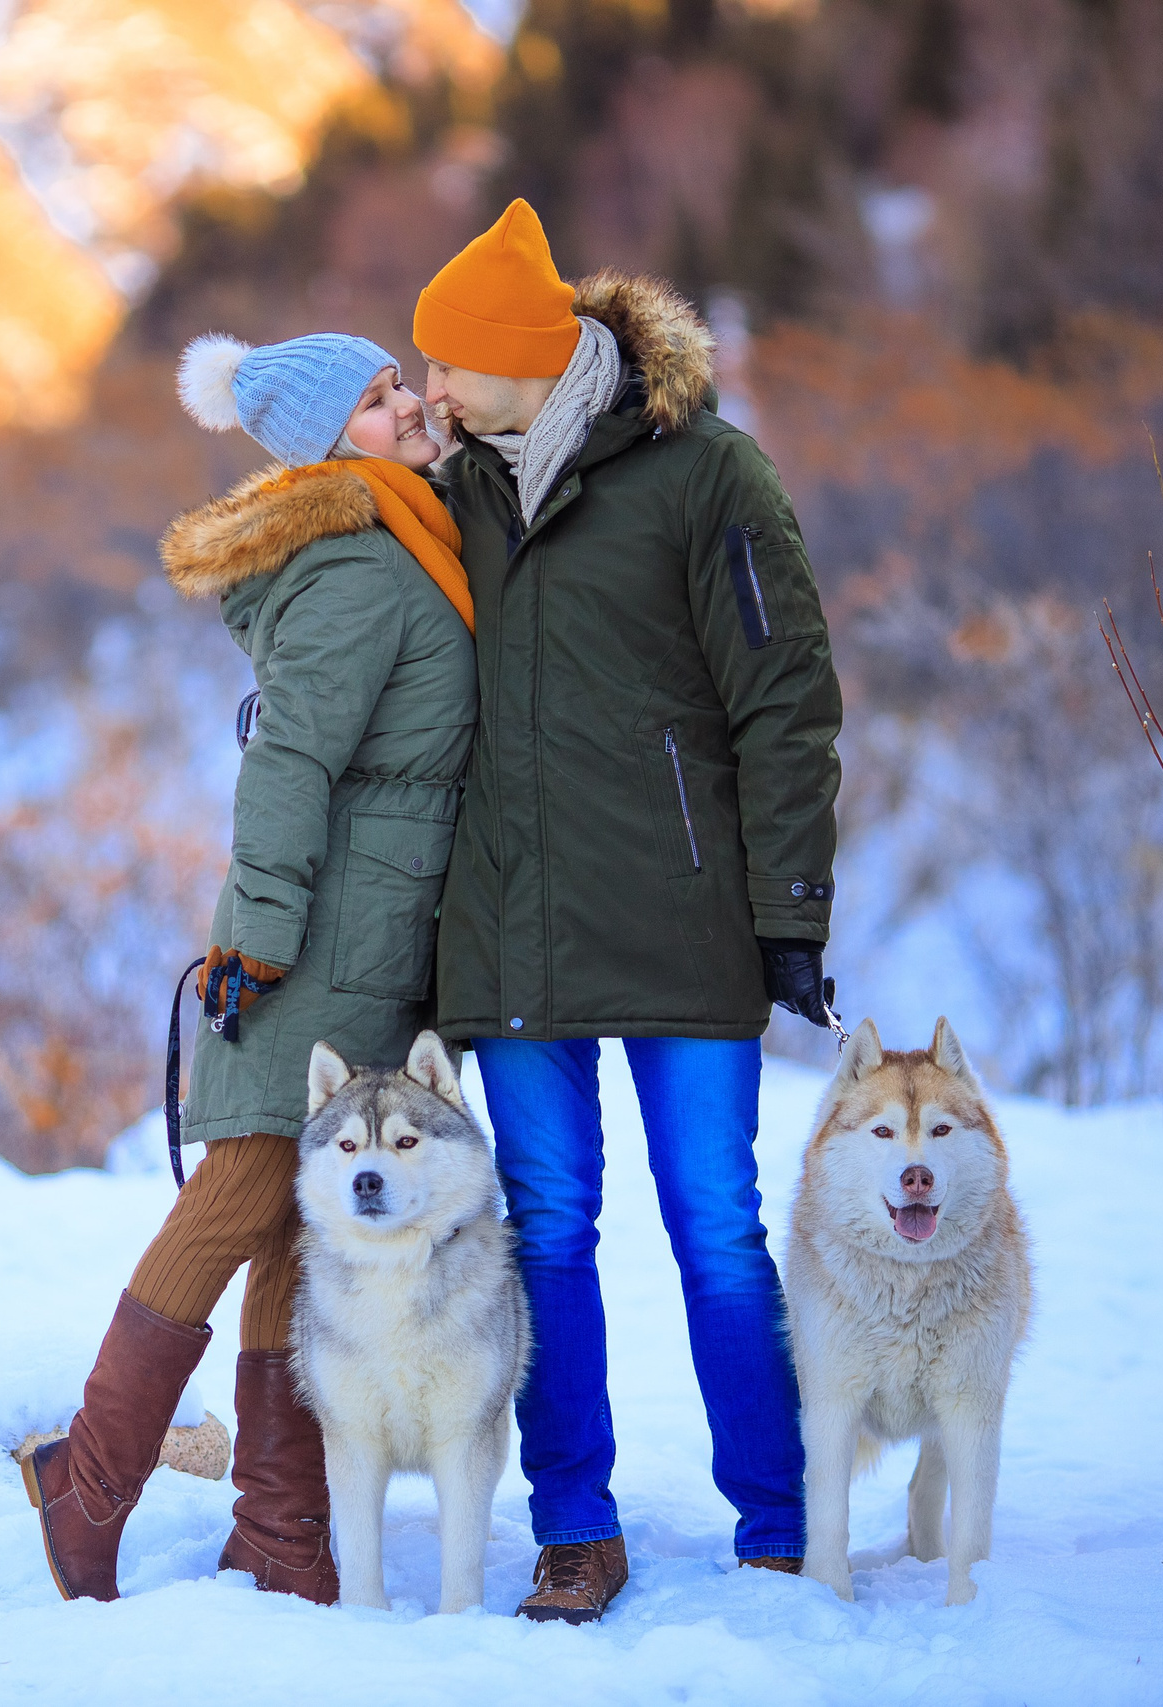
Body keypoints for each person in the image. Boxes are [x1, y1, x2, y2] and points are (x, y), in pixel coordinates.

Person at [413, 200, 844, 1622]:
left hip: (680, 909)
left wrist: (788, 906)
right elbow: (353, 599)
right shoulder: (451, 486)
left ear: (528, 356)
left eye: (448, 365)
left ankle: (780, 1518)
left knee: (714, 1223)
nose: (428, 392)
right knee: (544, 1225)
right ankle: (573, 1525)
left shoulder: (705, 473)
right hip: (514, 916)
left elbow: (787, 696)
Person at [23, 330, 475, 1606]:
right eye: (379, 399)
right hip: (318, 939)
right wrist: (262, 931)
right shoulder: (356, 567)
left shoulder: (409, 544)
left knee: (297, 1207)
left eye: (401, 386)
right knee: (241, 1190)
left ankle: (279, 1530)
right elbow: (290, 765)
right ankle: (90, 1482)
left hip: (371, 934)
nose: (407, 405)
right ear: (334, 440)